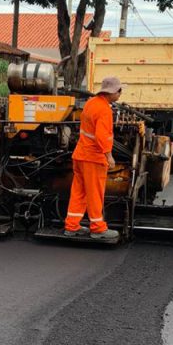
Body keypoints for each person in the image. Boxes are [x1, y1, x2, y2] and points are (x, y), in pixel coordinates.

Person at [63, 76, 122, 242]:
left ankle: (72, 225)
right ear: (111, 92)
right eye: (119, 91)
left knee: (79, 192)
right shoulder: (104, 110)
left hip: (80, 155)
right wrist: (109, 156)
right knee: (95, 193)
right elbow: (102, 136)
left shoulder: (90, 103)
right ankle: (97, 228)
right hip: (93, 158)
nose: (120, 94)